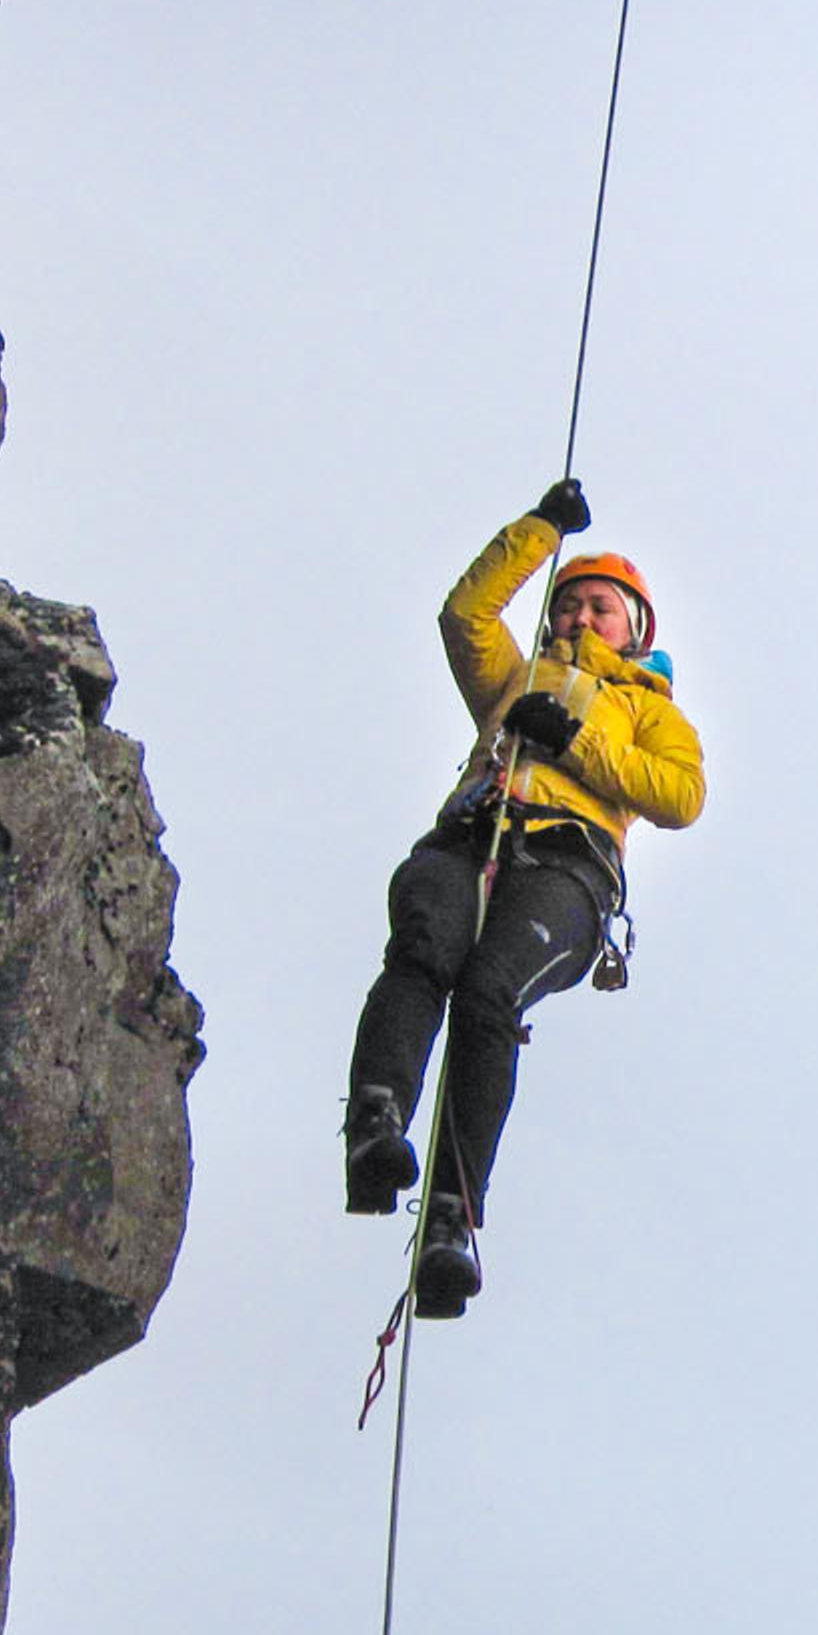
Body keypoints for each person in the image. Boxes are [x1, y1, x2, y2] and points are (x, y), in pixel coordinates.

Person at [345, 476, 706, 1317]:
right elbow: (465, 615)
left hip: (567, 868)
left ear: (635, 628)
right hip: (472, 837)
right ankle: (377, 1120)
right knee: (424, 949)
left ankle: (451, 1218)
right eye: (569, 605)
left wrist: (575, 742)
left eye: (599, 608)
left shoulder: (648, 709)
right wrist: (541, 529)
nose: (579, 618)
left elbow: (679, 796)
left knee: (488, 993)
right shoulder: (518, 677)